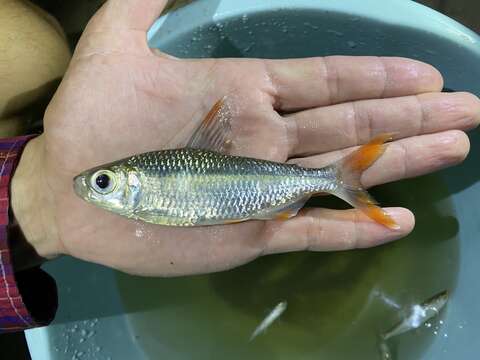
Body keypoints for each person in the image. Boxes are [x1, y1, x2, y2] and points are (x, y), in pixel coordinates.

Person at [1, 0, 479, 332]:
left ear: (132, 181)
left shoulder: (148, 194)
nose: (93, 186)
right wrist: (36, 207)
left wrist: (29, 204)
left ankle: (337, 182)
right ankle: (336, 182)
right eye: (103, 182)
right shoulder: (142, 196)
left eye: (103, 182)